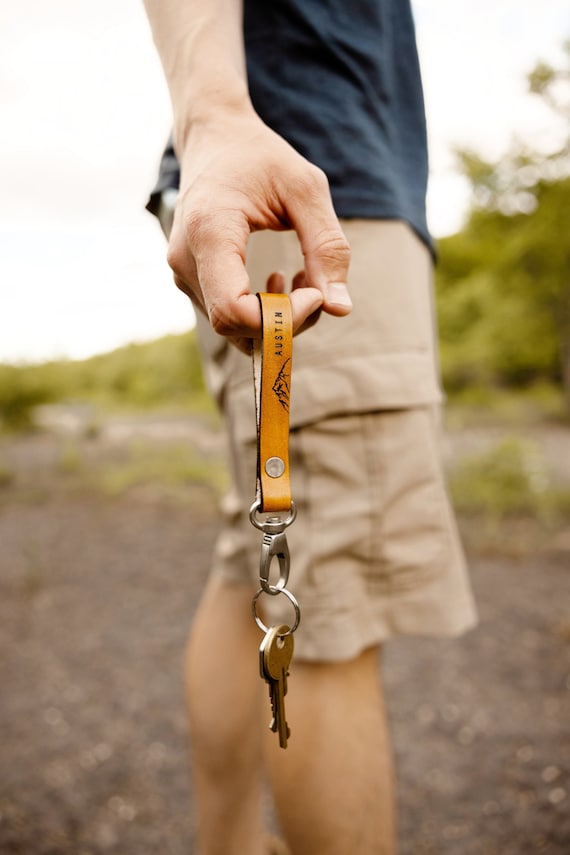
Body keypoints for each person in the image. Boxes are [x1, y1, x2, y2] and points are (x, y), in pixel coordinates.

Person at [142, 2, 477, 853]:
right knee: (328, 598)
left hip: (277, 178)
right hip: (304, 185)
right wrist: (215, 119)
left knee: (254, 556)